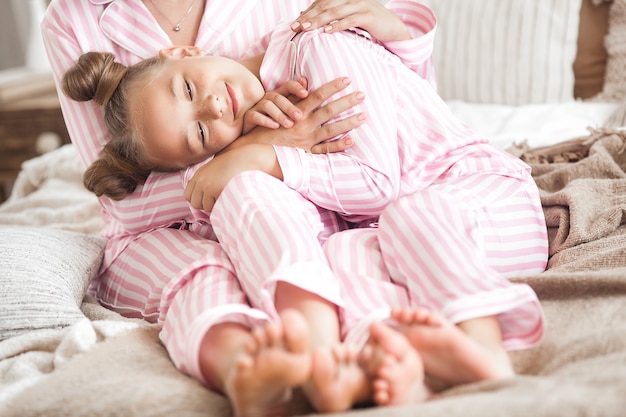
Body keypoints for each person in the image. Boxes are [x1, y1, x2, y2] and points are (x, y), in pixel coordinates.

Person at [60, 0, 548, 411]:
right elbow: (130, 204)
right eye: (203, 135)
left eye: (188, 87)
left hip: (474, 194)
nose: (212, 106)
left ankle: (482, 354)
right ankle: (376, 368)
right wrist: (251, 152)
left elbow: (379, 181)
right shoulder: (71, 19)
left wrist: (267, 154)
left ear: (182, 53)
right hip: (381, 218)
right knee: (336, 260)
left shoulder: (318, 44)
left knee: (410, 215)